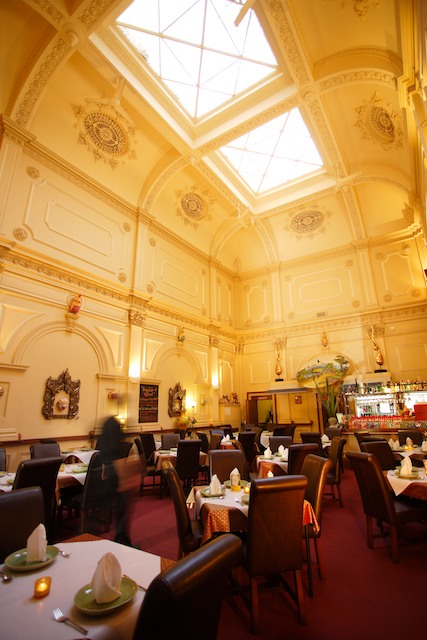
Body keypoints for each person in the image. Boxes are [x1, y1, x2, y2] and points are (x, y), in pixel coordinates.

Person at [97, 415, 135, 547]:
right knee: (121, 508)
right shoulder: (114, 426)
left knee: (120, 509)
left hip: (105, 477)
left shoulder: (106, 428)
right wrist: (123, 479)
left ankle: (121, 538)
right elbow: (116, 455)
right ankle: (122, 540)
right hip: (114, 475)